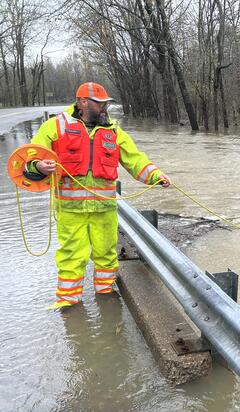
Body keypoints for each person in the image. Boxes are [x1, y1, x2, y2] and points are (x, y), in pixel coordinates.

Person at [26, 82, 171, 309]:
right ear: (83, 102)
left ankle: (106, 296)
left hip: (104, 209)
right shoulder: (54, 127)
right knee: (73, 256)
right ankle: (68, 302)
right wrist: (38, 167)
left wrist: (156, 176)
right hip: (70, 210)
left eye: (106, 104)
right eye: (100, 103)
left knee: (106, 254)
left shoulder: (113, 131)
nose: (105, 108)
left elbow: (135, 160)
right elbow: (30, 158)